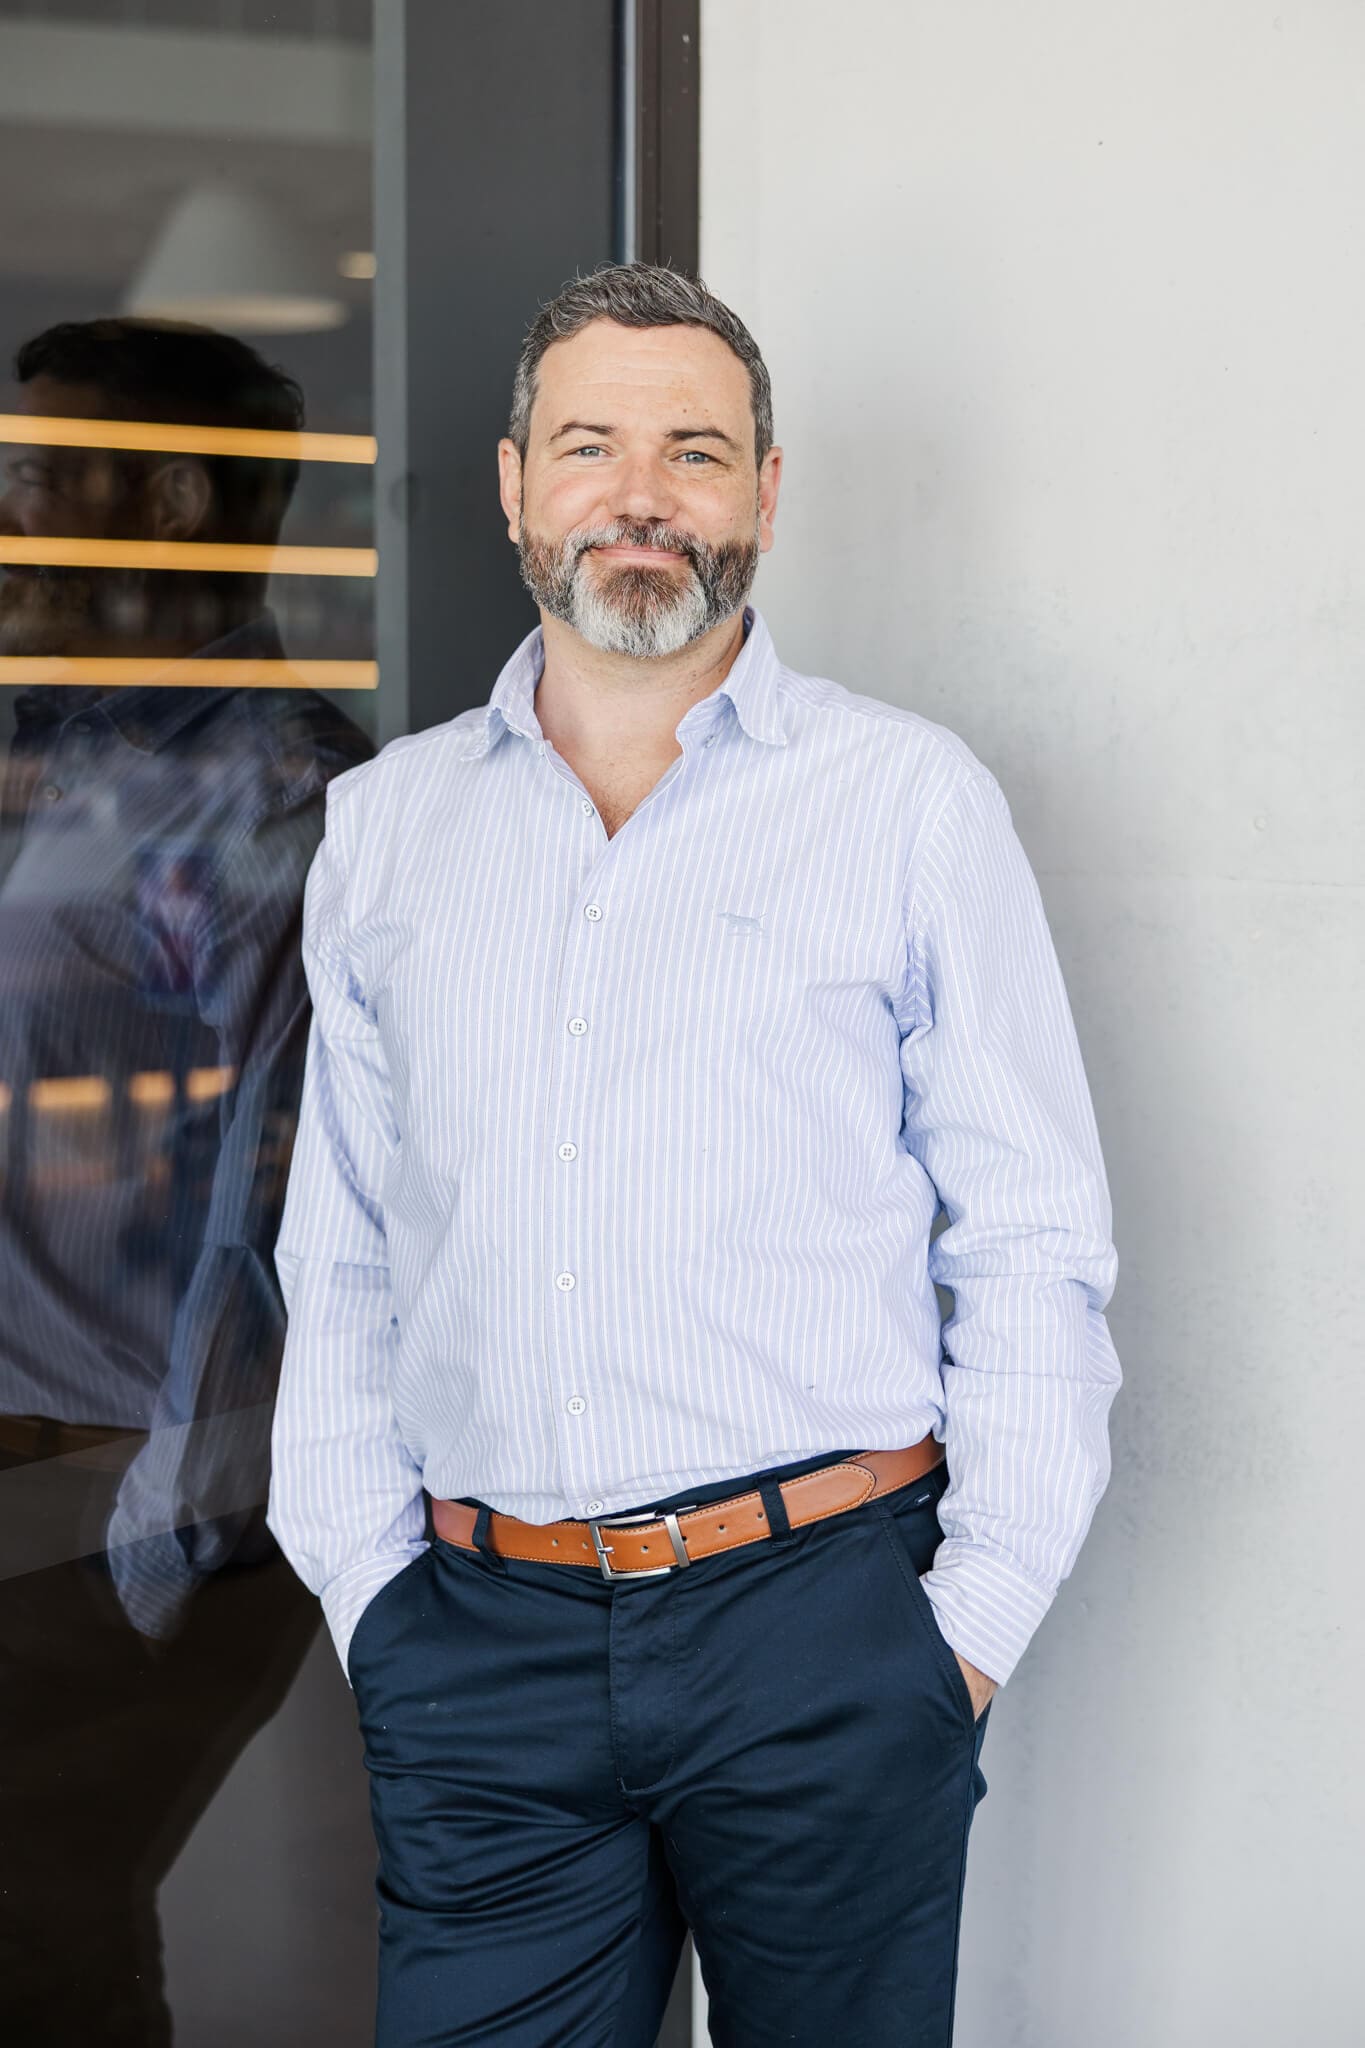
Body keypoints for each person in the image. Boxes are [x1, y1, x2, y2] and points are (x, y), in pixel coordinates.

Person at [267, 261, 1122, 2048]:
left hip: (827, 1629)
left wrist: (955, 1638)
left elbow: (1029, 1233)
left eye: (693, 452)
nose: (639, 497)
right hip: (476, 1640)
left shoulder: (904, 803)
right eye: (588, 447)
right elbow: (341, 1245)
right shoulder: (386, 827)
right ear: (513, 485)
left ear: (763, 491)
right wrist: (369, 1594)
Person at [0, 316, 372, 2044]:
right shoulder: (48, 748)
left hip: (124, 1483)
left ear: (152, 499)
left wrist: (170, 1547)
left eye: (25, 480)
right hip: (28, 1469)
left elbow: (281, 1197)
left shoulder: (269, 793)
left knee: (37, 1898)